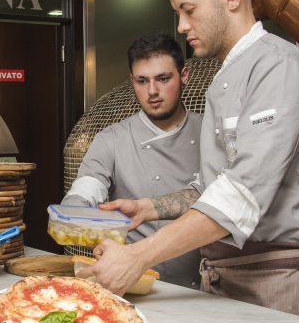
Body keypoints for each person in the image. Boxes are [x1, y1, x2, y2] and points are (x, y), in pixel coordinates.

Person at [79, 0, 299, 322]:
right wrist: (148, 208)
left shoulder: (278, 67)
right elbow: (213, 186)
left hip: (278, 276)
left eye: (189, 10)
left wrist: (137, 256)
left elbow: (240, 196)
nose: (182, 26)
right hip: (225, 273)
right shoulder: (223, 77)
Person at [62, 33, 202, 289]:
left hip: (203, 287)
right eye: (142, 80)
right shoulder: (112, 138)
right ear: (132, 81)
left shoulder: (208, 134)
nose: (152, 91)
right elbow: (88, 186)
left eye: (163, 78)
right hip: (133, 284)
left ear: (184, 76)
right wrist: (75, 208)